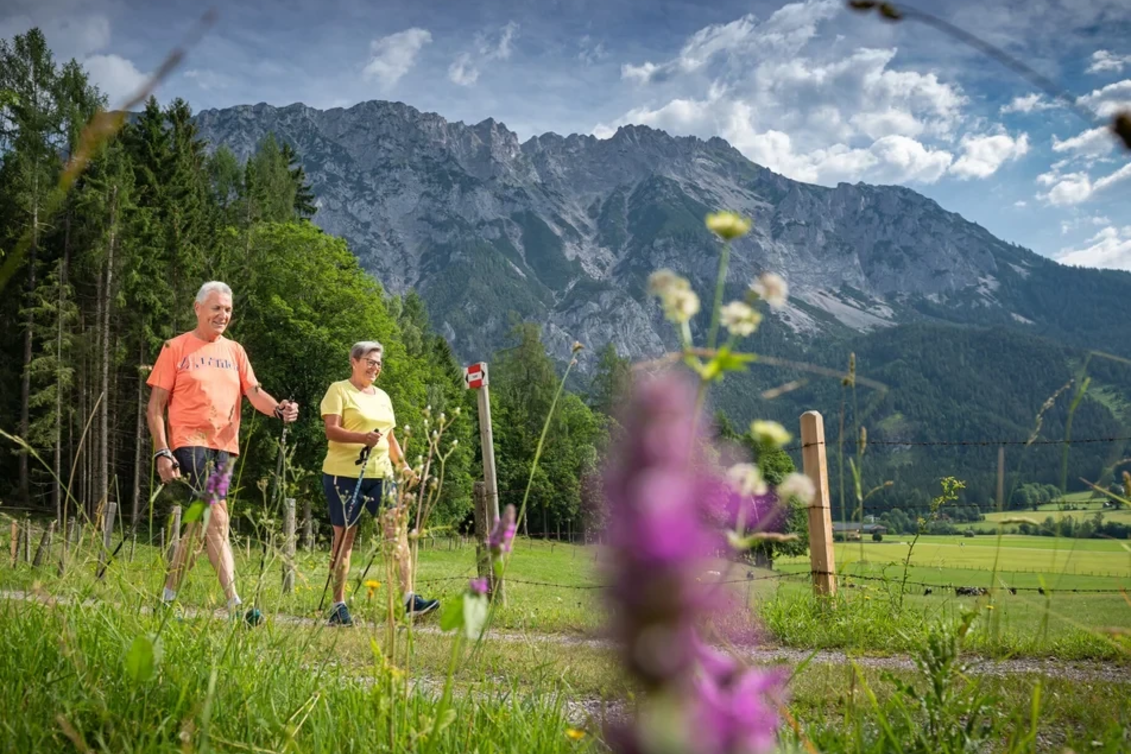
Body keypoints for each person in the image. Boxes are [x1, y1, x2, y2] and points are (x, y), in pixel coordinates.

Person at [147, 281, 299, 622]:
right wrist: (162, 450)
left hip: (224, 448)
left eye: (228, 310)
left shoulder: (235, 351)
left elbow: (254, 393)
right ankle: (235, 606)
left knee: (200, 524)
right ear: (197, 308)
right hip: (190, 442)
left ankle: (167, 600)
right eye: (216, 308)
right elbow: (155, 406)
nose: (223, 315)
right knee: (217, 516)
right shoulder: (176, 347)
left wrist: (278, 409)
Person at [320, 340, 439, 625]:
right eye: (370, 362)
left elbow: (390, 438)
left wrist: (404, 467)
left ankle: (408, 599)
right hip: (344, 475)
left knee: (395, 530)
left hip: (381, 475)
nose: (375, 368)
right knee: (346, 538)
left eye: (379, 364)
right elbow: (331, 430)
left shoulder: (384, 397)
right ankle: (338, 605)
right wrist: (362, 438)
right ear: (354, 362)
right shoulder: (339, 390)